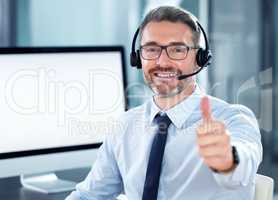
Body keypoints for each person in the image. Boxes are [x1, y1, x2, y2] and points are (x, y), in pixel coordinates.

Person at [66, 6, 262, 200]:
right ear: (138, 58)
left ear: (200, 59)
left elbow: (243, 165)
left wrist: (227, 159)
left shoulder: (233, 119)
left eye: (177, 49)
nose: (162, 61)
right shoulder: (124, 127)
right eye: (151, 49)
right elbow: (89, 195)